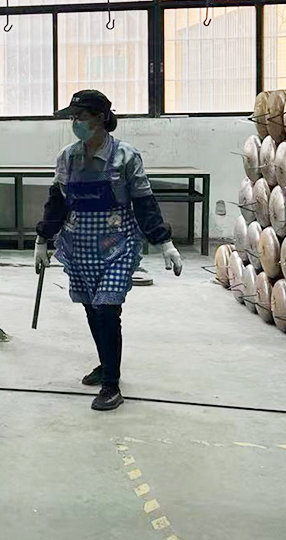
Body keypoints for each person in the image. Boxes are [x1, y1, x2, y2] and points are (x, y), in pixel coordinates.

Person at [33, 89, 182, 411]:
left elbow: (144, 203)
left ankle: (111, 385)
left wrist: (164, 242)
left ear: (100, 118)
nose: (75, 123)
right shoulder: (67, 157)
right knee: (92, 309)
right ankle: (106, 363)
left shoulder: (126, 157)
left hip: (117, 246)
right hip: (79, 246)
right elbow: (57, 202)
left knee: (107, 310)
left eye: (81, 117)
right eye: (73, 118)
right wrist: (42, 239)